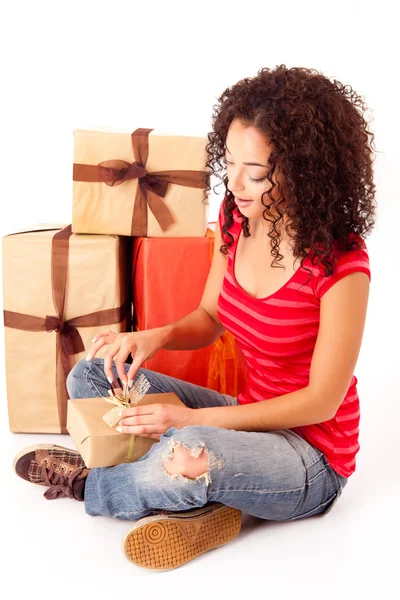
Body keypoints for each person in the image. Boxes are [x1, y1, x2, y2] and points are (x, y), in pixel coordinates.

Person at [13, 64, 376, 572]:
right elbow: (210, 316)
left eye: (257, 171)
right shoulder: (236, 221)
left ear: (306, 168)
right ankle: (216, 502)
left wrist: (192, 419)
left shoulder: (342, 266)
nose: (237, 184)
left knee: (188, 448)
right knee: (92, 373)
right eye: (229, 164)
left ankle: (96, 483)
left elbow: (321, 401)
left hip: (310, 457)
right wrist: (151, 338)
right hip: (245, 417)